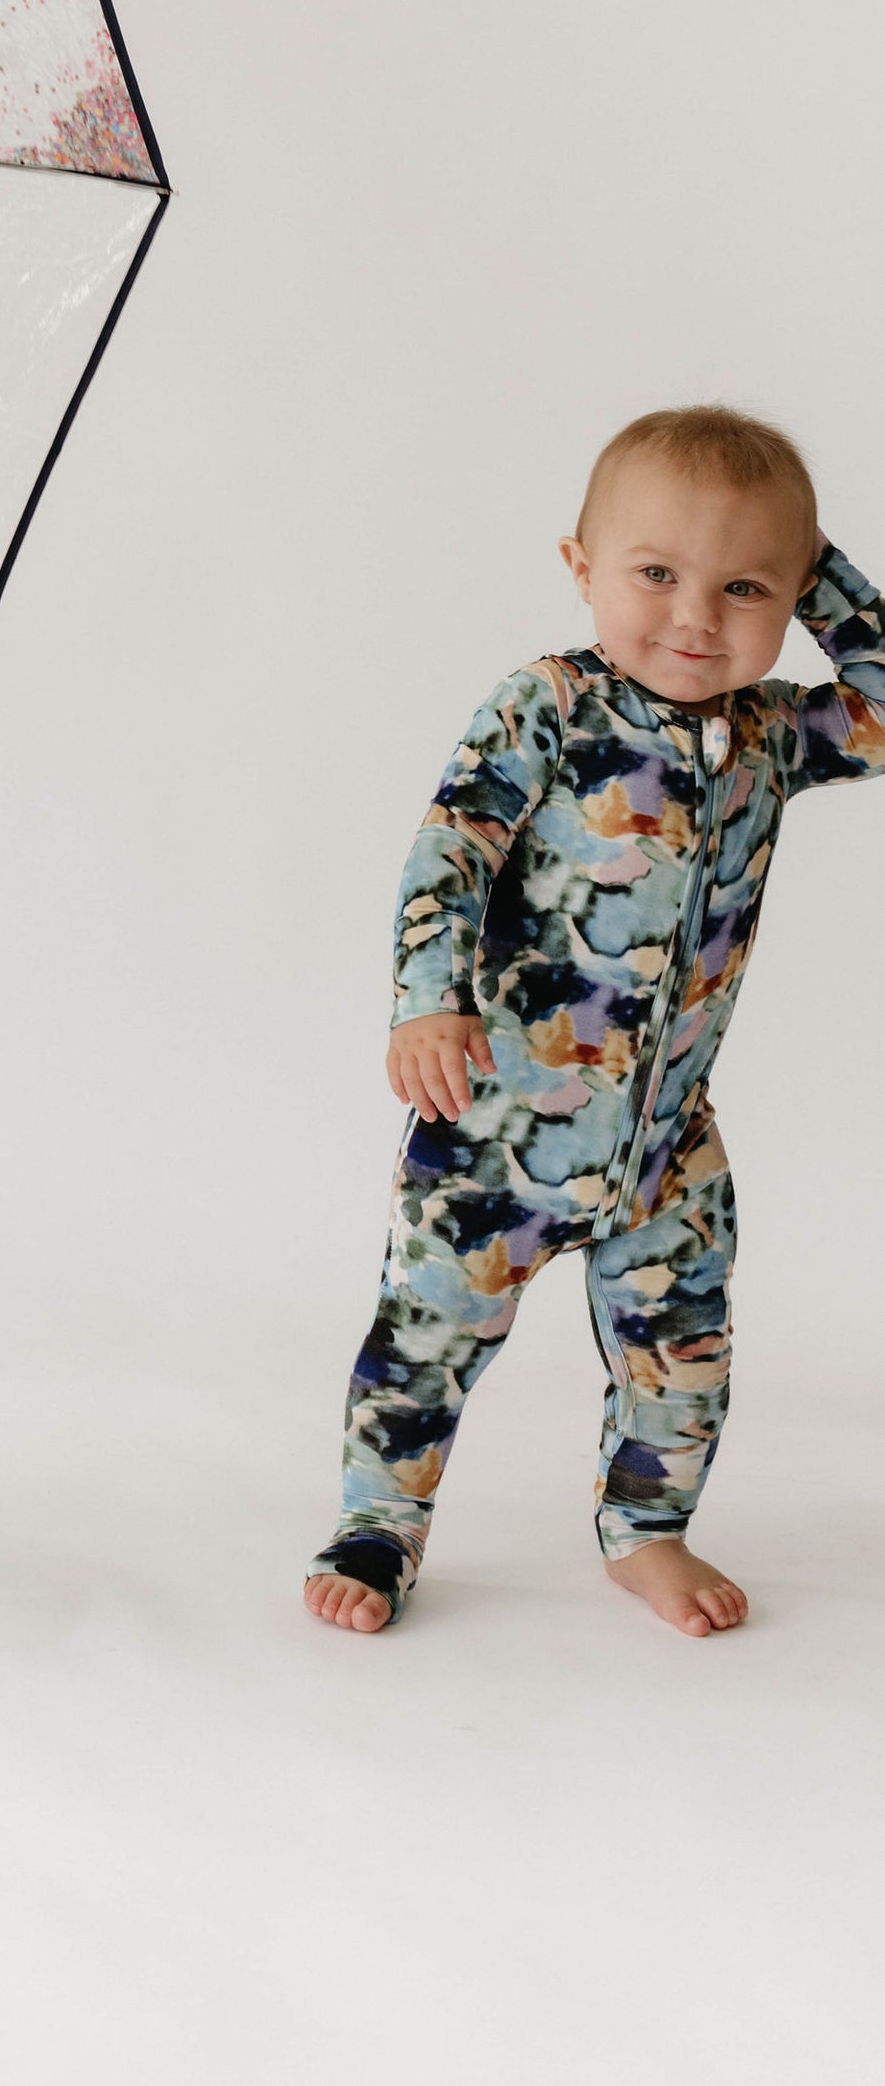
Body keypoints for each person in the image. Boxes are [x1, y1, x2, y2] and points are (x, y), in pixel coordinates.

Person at [305, 405, 885, 1641]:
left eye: (743, 586)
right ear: (579, 569)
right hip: (496, 1128)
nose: (695, 616)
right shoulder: (549, 706)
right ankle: (377, 1526)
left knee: (683, 1359)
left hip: (665, 1148)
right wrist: (428, 1002)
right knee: (424, 1343)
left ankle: (648, 1530)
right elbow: (449, 849)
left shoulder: (774, 734)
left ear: (789, 597)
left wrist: (813, 561)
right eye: (656, 573)